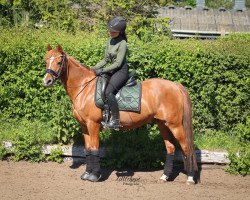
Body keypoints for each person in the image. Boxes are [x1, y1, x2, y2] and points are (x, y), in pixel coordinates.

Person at [92, 16, 129, 130]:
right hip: (111, 69)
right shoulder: (110, 41)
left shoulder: (122, 43)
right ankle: (105, 114)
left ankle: (116, 121)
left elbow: (118, 63)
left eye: (113, 31)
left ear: (120, 32)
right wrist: (93, 68)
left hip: (121, 71)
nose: (110, 32)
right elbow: (106, 60)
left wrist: (102, 70)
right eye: (110, 30)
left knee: (108, 92)